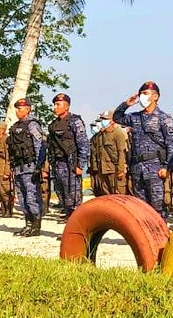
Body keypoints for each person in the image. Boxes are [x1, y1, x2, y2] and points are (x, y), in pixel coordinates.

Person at [114, 81, 173, 218]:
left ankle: (160, 230)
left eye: (145, 93)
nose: (142, 97)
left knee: (157, 205)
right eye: (141, 94)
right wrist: (126, 104)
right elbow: (117, 118)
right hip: (137, 168)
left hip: (155, 167)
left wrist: (167, 167)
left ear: (155, 96)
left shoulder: (164, 118)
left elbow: (172, 145)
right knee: (141, 207)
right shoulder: (135, 117)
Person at [46, 93, 89, 223]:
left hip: (71, 163)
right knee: (61, 191)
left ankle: (76, 219)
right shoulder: (53, 125)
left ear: (67, 106)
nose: (55, 107)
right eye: (54, 104)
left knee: (73, 193)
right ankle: (68, 215)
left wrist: (80, 165)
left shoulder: (75, 122)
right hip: (57, 163)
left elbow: (83, 144)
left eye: (58, 104)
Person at [8, 99, 47, 236]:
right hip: (18, 167)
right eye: (17, 108)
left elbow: (40, 147)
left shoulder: (32, 125)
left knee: (32, 197)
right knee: (22, 197)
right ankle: (28, 224)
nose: (17, 111)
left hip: (30, 167)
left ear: (28, 109)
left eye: (20, 108)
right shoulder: (14, 127)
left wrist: (38, 167)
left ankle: (36, 226)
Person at [90, 110, 128, 196]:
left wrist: (121, 170)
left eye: (105, 119)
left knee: (118, 195)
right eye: (102, 119)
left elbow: (121, 152)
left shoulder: (118, 133)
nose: (103, 121)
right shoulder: (99, 135)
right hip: (102, 171)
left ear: (112, 120)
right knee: (106, 195)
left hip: (114, 170)